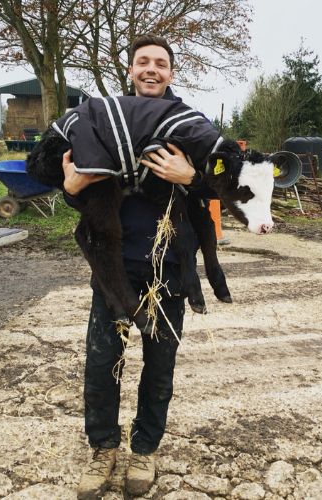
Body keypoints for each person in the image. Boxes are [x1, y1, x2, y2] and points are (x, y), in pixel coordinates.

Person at [65, 35, 207, 498]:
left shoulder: (187, 125)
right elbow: (78, 186)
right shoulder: (103, 121)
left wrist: (192, 177)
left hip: (168, 270)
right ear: (130, 70)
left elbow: (231, 178)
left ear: (171, 73)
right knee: (103, 361)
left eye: (160, 63)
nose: (151, 69)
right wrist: (70, 189)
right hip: (114, 272)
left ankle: (144, 448)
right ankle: (103, 447)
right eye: (142, 62)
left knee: (159, 365)